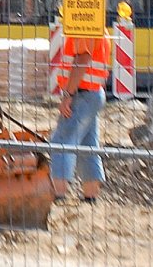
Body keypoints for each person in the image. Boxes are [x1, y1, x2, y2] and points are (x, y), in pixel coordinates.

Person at [51, 32, 112, 203]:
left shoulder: (86, 28)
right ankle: (90, 195)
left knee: (61, 142)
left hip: (82, 94)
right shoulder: (97, 28)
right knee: (88, 145)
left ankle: (59, 196)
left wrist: (68, 95)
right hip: (92, 93)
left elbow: (82, 59)